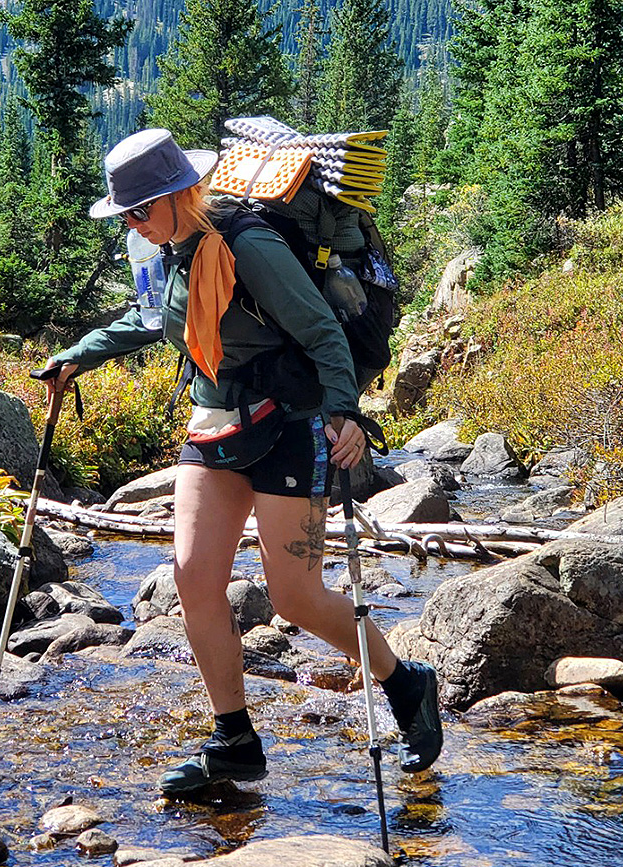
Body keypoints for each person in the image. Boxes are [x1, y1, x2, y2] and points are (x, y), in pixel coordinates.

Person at [42, 128, 442, 796]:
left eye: (140, 210)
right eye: (127, 214)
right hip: (217, 423)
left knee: (296, 597)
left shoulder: (248, 245)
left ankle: (406, 685)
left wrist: (343, 413)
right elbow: (150, 317)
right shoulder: (166, 246)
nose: (133, 223)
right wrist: (77, 355)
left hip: (289, 424)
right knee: (194, 577)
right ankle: (234, 741)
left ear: (177, 193)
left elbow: (320, 333)